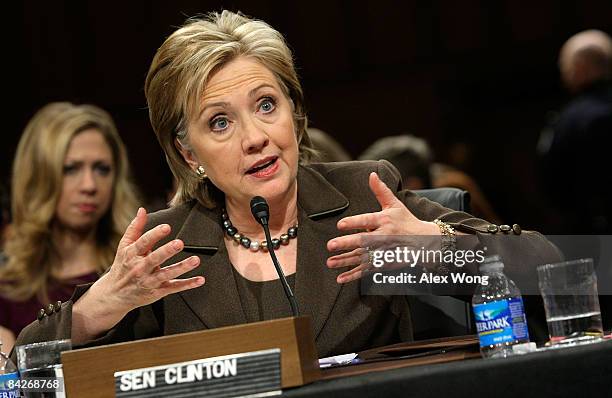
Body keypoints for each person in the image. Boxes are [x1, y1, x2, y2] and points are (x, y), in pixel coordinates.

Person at [13, 11, 560, 358]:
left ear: (295, 116)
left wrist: (436, 248)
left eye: (266, 105)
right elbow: (25, 378)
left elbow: (555, 270)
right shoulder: (166, 249)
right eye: (219, 122)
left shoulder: (364, 200)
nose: (255, 137)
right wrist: (100, 306)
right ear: (187, 152)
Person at [0, 102, 140, 353]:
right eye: (71, 169)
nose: (89, 185)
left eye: (101, 169)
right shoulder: (7, 289)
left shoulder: (136, 268)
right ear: (39, 176)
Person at [537, 29, 612, 233]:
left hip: (593, 232)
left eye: (564, 66)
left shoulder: (569, 120)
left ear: (578, 67)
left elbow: (554, 183)